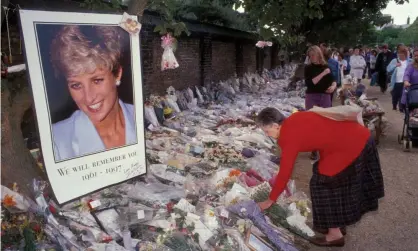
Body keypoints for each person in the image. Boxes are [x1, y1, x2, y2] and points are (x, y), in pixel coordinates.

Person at [256, 107, 384, 247]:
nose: (267, 135)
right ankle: (336, 223)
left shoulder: (288, 135)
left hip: (352, 144)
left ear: (275, 125)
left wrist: (270, 200)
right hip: (355, 138)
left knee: (322, 185)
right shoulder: (293, 119)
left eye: (267, 131)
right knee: (329, 178)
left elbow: (285, 172)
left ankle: (335, 235)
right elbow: (322, 134)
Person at [50, 25, 137, 161]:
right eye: (76, 85)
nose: (89, 98)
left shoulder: (144, 120)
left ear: (117, 74)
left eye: (97, 80)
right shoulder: (55, 140)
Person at [304, 46, 336, 159]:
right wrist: (323, 73)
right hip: (312, 96)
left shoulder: (326, 66)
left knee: (326, 122)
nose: (311, 57)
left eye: (313, 55)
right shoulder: (308, 68)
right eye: (310, 55)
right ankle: (314, 148)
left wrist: (333, 86)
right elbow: (310, 84)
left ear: (318, 55)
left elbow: (333, 80)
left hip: (325, 96)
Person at [387, 45, 412, 112]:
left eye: (403, 54)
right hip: (396, 82)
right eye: (400, 54)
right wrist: (395, 65)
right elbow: (388, 69)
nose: (401, 56)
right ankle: (394, 106)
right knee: (395, 96)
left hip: (404, 82)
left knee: (402, 96)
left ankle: (401, 108)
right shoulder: (395, 61)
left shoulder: (409, 62)